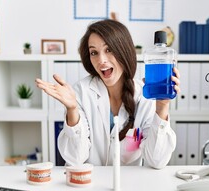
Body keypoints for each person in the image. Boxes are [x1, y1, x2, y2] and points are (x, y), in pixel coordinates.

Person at [36, 19, 180, 169]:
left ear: (124, 51)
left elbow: (157, 161)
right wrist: (72, 111)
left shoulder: (144, 94)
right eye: (94, 53)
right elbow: (75, 159)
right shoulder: (81, 92)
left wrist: (162, 106)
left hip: (130, 186)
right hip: (89, 185)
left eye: (109, 50)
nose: (101, 60)